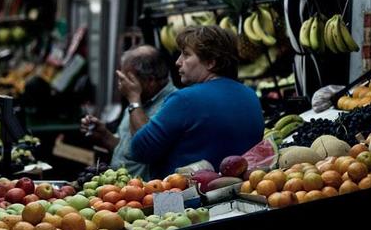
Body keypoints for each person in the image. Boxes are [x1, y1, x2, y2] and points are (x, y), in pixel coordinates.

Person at [130, 25, 264, 179]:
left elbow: (140, 150)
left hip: (186, 198)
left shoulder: (185, 100)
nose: (178, 62)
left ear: (210, 62)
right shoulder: (250, 95)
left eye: (186, 55)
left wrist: (134, 103)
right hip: (240, 192)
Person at [80, 45, 177, 181]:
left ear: (150, 81)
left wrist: (133, 98)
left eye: (127, 79)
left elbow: (146, 146)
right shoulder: (138, 100)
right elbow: (128, 151)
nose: (122, 85)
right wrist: (104, 136)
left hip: (144, 195)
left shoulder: (172, 103)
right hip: (118, 191)